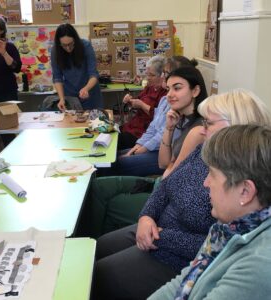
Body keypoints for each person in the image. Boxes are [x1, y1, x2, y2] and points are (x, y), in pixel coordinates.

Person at [91, 89, 271, 300]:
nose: (202, 130)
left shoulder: (255, 256)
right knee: (97, 248)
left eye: (209, 123)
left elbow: (209, 250)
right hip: (158, 231)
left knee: (97, 275)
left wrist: (162, 235)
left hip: (169, 250)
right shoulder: (205, 151)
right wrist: (146, 216)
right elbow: (167, 185)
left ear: (237, 126)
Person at [149, 124, 271, 300]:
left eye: (212, 175)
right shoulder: (227, 228)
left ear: (245, 191)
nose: (206, 183)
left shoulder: (260, 265)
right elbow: (184, 281)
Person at [89, 65, 207, 238]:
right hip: (163, 184)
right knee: (97, 186)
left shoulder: (197, 130)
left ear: (196, 90)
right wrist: (168, 128)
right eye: (169, 89)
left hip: (167, 196)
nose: (170, 95)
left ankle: (94, 239)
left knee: (106, 199)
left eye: (177, 88)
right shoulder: (180, 119)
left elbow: (171, 174)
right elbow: (163, 163)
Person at [118, 55, 167, 150]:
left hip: (142, 132)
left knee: (114, 141)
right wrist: (130, 100)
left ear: (162, 75)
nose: (147, 78)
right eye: (147, 74)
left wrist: (142, 105)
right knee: (108, 134)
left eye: (151, 75)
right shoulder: (150, 87)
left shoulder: (166, 94)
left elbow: (159, 118)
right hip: (133, 126)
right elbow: (138, 100)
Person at [51, 23, 103, 110]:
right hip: (70, 96)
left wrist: (86, 88)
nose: (68, 48)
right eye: (64, 45)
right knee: (72, 122)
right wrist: (62, 98)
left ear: (75, 39)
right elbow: (57, 77)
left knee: (93, 122)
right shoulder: (56, 50)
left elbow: (93, 74)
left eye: (70, 44)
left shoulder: (86, 46)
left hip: (90, 93)